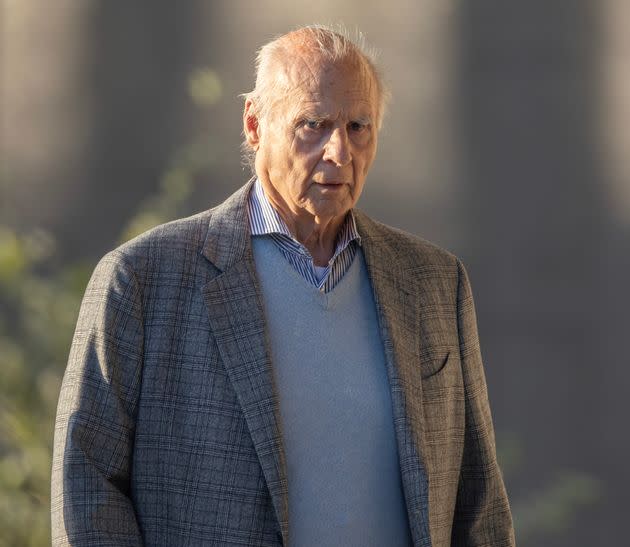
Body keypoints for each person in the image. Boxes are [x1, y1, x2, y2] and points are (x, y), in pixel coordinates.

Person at [51, 25, 515, 547]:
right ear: (254, 123)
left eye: (358, 126)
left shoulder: (434, 283)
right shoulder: (140, 281)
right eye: (313, 124)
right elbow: (86, 493)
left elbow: (479, 506)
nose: (339, 151)